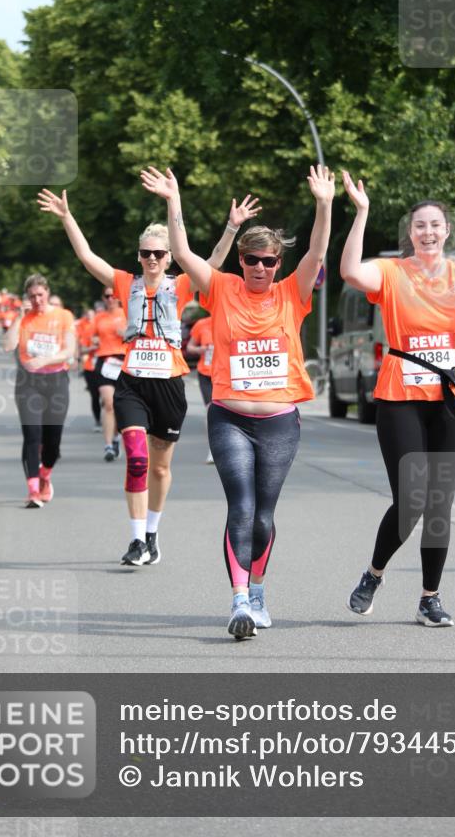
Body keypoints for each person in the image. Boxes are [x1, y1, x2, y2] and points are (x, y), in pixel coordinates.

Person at [142, 164, 334, 640]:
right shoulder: (222, 289)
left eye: (270, 261)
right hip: (229, 418)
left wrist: (325, 204)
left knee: (265, 516)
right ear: (241, 262)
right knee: (242, 507)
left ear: (278, 265)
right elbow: (183, 253)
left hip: (280, 421)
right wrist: (174, 200)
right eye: (253, 261)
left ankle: (260, 589)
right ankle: (239, 600)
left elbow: (317, 250)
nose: (261, 269)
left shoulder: (294, 292)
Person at [36, 186, 260, 566]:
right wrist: (66, 217)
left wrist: (231, 228)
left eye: (159, 253)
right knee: (137, 458)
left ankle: (153, 534)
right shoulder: (127, 283)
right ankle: (136, 539)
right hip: (132, 382)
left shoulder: (183, 284)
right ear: (138, 257)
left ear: (170, 257)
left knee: (159, 466)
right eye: (146, 253)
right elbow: (87, 256)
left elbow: (215, 261)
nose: (152, 258)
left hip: (169, 384)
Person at [340, 172, 455, 626]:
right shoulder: (391, 272)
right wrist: (361, 213)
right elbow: (348, 271)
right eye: (419, 225)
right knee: (412, 499)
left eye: (435, 225)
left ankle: (429, 597)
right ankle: (373, 573)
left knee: (438, 504)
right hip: (400, 395)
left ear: (446, 231)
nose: (427, 232)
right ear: (410, 232)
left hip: (453, 397)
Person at [4, 273, 76, 508]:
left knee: (52, 441)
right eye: (32, 296)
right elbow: (7, 346)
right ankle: (33, 491)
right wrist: (18, 317)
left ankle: (45, 475)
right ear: (26, 297)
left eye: (40, 294)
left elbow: (68, 351)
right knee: (32, 435)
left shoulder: (63, 316)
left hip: (56, 380)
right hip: (28, 382)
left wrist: (45, 360)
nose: (37, 300)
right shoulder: (24, 319)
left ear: (47, 292)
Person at [90, 289, 127, 461]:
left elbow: (142, 335)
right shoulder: (99, 317)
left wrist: (127, 334)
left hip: (125, 360)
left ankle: (117, 437)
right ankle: (108, 445)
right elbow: (89, 338)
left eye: (114, 295)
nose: (111, 298)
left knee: (122, 405)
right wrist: (93, 341)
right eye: (107, 296)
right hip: (105, 361)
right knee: (109, 403)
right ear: (102, 299)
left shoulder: (128, 312)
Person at [186, 311, 215, 463]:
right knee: (211, 410)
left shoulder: (233, 319)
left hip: (227, 374)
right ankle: (212, 449)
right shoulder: (202, 324)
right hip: (206, 373)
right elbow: (190, 346)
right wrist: (199, 350)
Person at [76, 308, 101, 430]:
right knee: (95, 396)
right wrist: (93, 347)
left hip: (107, 367)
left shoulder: (109, 333)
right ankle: (98, 421)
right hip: (90, 367)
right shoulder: (87, 330)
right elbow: (81, 350)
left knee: (108, 397)